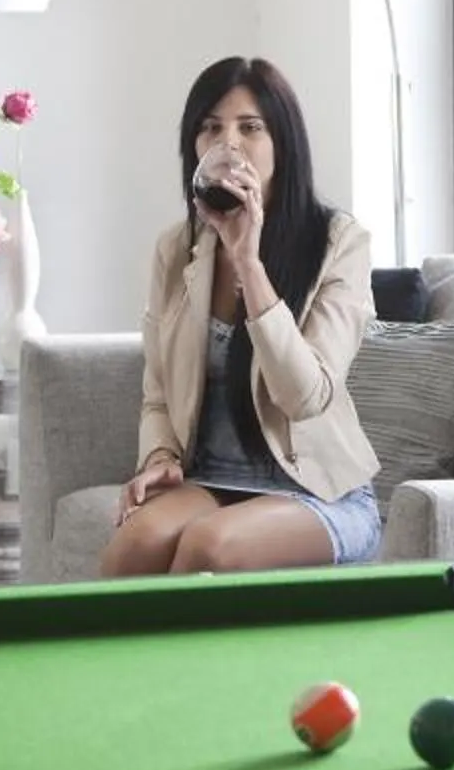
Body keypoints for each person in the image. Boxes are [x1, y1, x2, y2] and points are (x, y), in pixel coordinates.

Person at [101, 56, 381, 576]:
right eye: (211, 128)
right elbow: (158, 392)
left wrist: (249, 263)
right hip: (211, 478)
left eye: (250, 128)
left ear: (283, 144)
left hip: (315, 490)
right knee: (133, 545)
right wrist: (160, 459)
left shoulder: (340, 243)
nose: (228, 144)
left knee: (209, 547)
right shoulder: (176, 249)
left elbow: (307, 397)